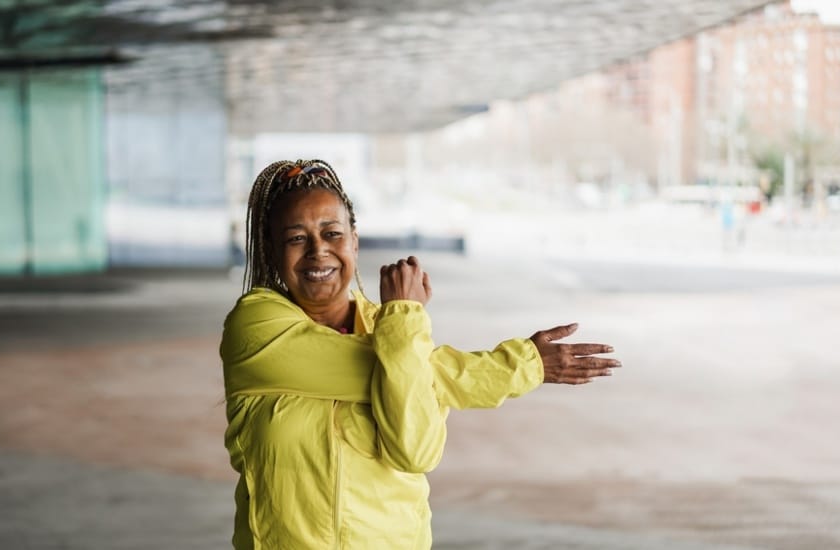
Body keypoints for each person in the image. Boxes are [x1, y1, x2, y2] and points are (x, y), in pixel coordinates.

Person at [220, 159, 620, 549]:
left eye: (332, 234)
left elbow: (416, 452)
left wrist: (401, 325)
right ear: (272, 252)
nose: (318, 251)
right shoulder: (256, 328)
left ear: (354, 242)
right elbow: (411, 370)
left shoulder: (396, 330)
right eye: (296, 238)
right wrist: (520, 366)